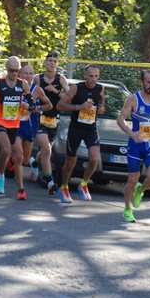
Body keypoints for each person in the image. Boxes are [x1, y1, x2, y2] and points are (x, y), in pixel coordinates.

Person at [0, 56, 37, 200]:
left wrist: (27, 106)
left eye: (17, 71)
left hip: (14, 124)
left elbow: (32, 105)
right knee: (5, 150)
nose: (14, 74)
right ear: (7, 69)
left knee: (11, 155)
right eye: (11, 70)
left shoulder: (23, 85)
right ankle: (0, 179)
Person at [116, 69, 150, 222]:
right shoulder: (133, 99)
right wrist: (132, 134)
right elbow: (120, 119)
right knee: (132, 180)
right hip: (136, 144)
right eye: (148, 82)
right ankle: (127, 208)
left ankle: (141, 189)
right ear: (142, 82)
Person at [55, 64, 105, 203]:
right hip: (76, 128)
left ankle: (83, 184)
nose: (93, 79)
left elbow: (101, 98)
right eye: (90, 76)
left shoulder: (100, 88)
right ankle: (64, 186)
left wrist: (101, 107)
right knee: (71, 162)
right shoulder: (77, 88)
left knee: (94, 159)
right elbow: (60, 105)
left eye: (96, 76)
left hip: (91, 128)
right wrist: (79, 107)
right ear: (85, 76)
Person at [32, 52, 69, 192]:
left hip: (54, 119)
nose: (52, 63)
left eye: (54, 61)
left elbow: (69, 97)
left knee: (45, 151)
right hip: (40, 117)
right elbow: (30, 94)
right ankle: (49, 181)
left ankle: (34, 163)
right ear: (45, 62)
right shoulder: (38, 78)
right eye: (49, 61)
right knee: (47, 150)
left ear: (57, 64)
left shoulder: (61, 79)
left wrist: (56, 91)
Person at [12, 64, 52, 181]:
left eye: (30, 74)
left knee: (24, 160)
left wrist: (36, 108)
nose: (28, 76)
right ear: (20, 74)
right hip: (15, 124)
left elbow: (49, 105)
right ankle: (18, 186)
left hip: (30, 126)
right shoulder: (13, 87)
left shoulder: (37, 90)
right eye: (25, 73)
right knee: (19, 155)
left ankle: (16, 161)